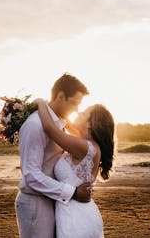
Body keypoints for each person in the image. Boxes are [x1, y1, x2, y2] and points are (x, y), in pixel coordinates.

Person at [15, 73, 93, 238]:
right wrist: (72, 192)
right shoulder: (35, 125)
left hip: (53, 199)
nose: (76, 110)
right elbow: (31, 175)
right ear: (60, 96)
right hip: (36, 203)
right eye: (74, 103)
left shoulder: (57, 125)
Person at [35, 99, 115, 238]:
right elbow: (68, 124)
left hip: (75, 218)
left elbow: (50, 129)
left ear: (90, 124)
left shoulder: (85, 147)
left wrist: (41, 103)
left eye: (83, 113)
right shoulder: (86, 143)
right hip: (76, 212)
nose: (78, 112)